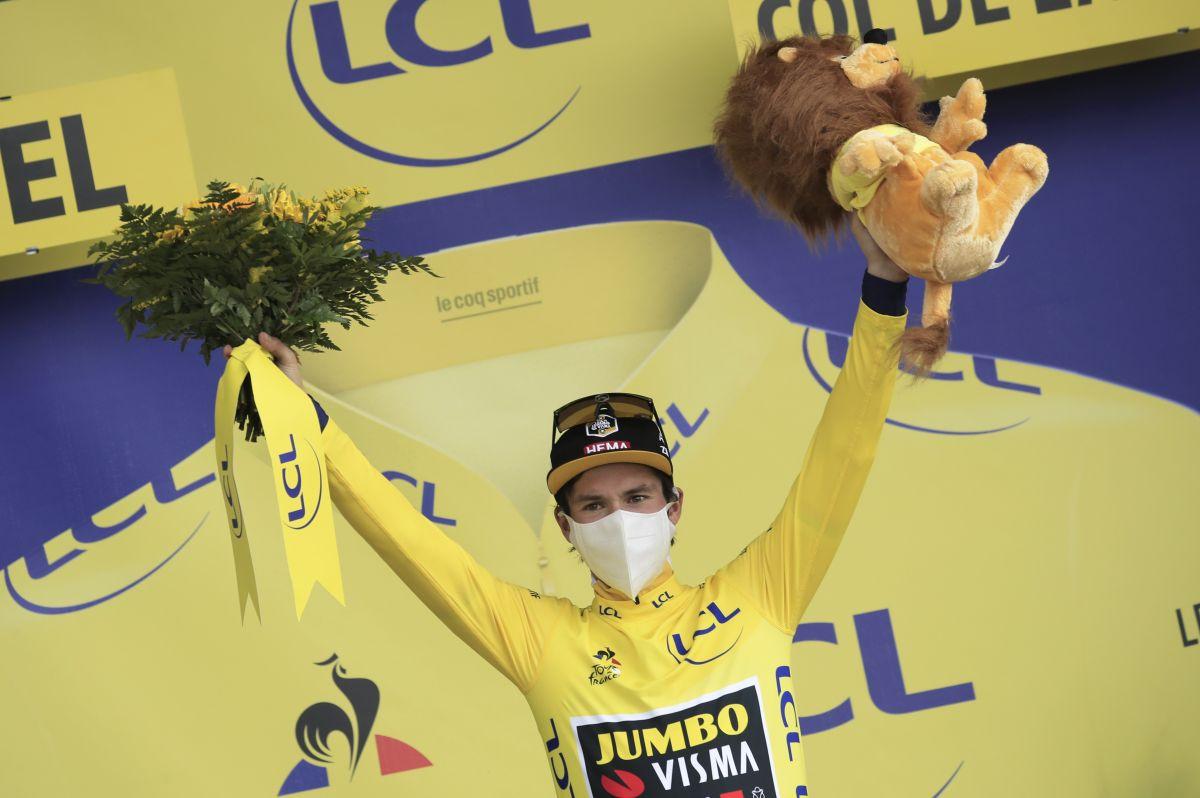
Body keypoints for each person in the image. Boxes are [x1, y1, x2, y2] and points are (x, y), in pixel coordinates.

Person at [225, 217, 909, 797]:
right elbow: (411, 544)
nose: (619, 517)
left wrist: (884, 287)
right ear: (566, 527)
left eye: (637, 496)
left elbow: (842, 456)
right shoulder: (544, 642)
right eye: (595, 504)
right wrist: (305, 424)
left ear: (674, 509)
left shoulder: (763, 596)